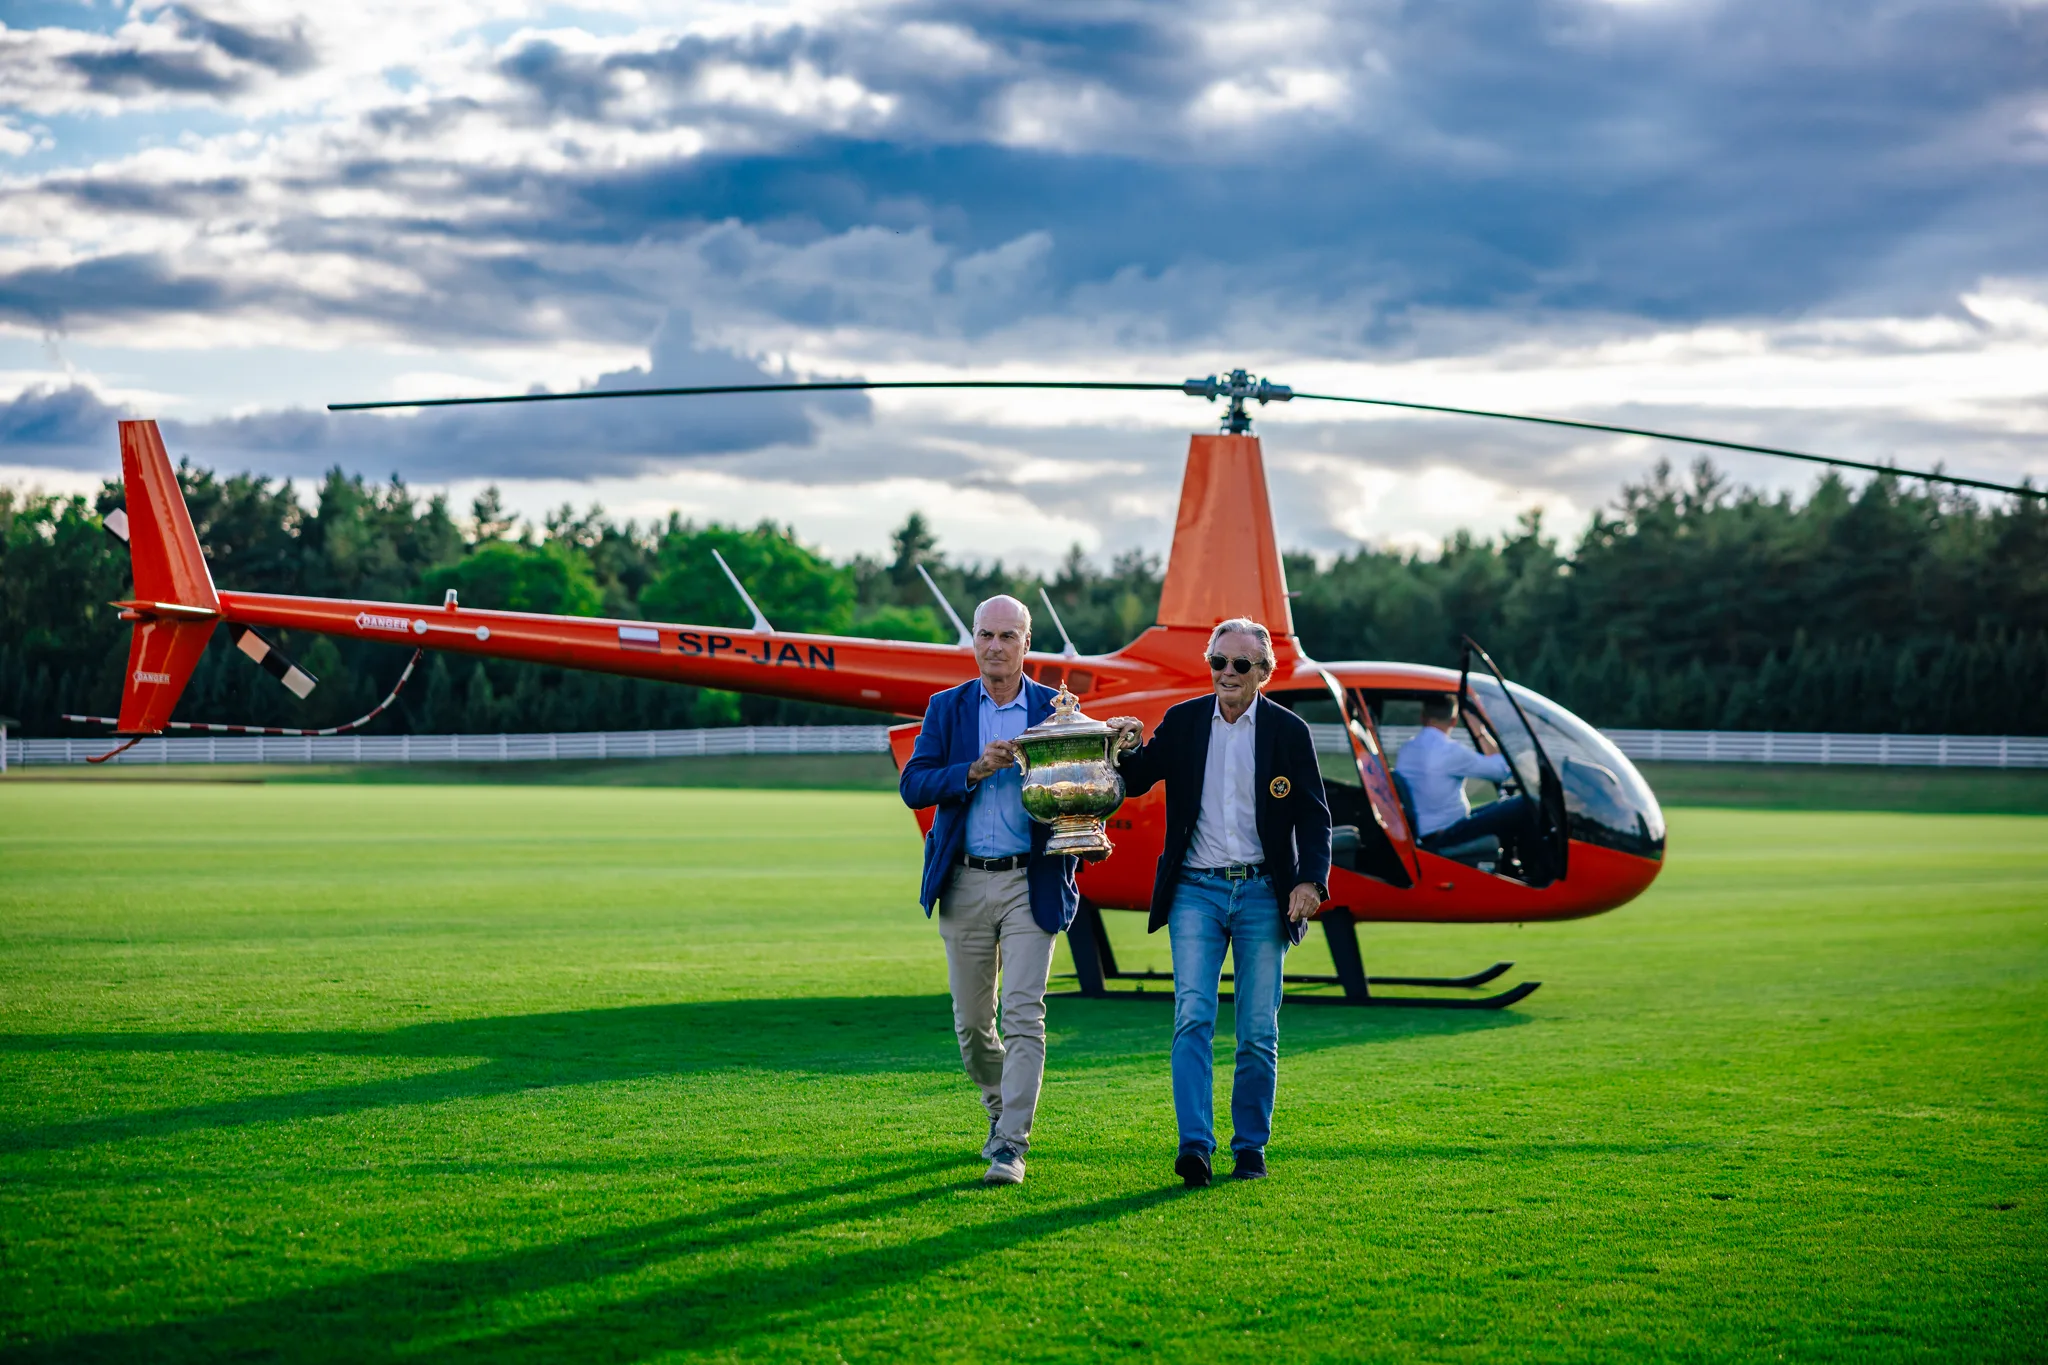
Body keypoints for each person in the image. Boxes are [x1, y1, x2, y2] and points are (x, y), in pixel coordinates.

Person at [1106, 617, 1331, 1189]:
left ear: (1263, 672)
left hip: (1263, 893)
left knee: (1257, 1030)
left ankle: (1250, 1148)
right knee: (1193, 1017)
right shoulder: (1183, 721)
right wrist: (1121, 745)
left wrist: (1310, 882)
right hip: (1194, 891)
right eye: (1218, 662)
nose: (1227, 673)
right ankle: (1195, 1147)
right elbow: (1138, 779)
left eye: (1240, 664)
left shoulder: (1289, 731)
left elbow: (1314, 816)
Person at [898, 594, 1078, 1187]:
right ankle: (1000, 1109)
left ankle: (1010, 1144)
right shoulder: (946, 708)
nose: (995, 646)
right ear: (973, 640)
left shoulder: (1057, 709)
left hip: (1032, 881)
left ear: (1027, 643)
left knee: (1024, 1014)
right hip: (964, 881)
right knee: (973, 1026)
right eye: (985, 635)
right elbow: (914, 785)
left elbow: (1087, 782)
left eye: (1007, 636)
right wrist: (974, 769)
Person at [1393, 692, 1534, 850]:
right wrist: (1480, 732)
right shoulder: (1449, 750)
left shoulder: (1406, 749)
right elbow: (1502, 771)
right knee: (1525, 803)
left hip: (1426, 833)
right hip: (1448, 834)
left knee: (1504, 805)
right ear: (1454, 721)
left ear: (1422, 717)